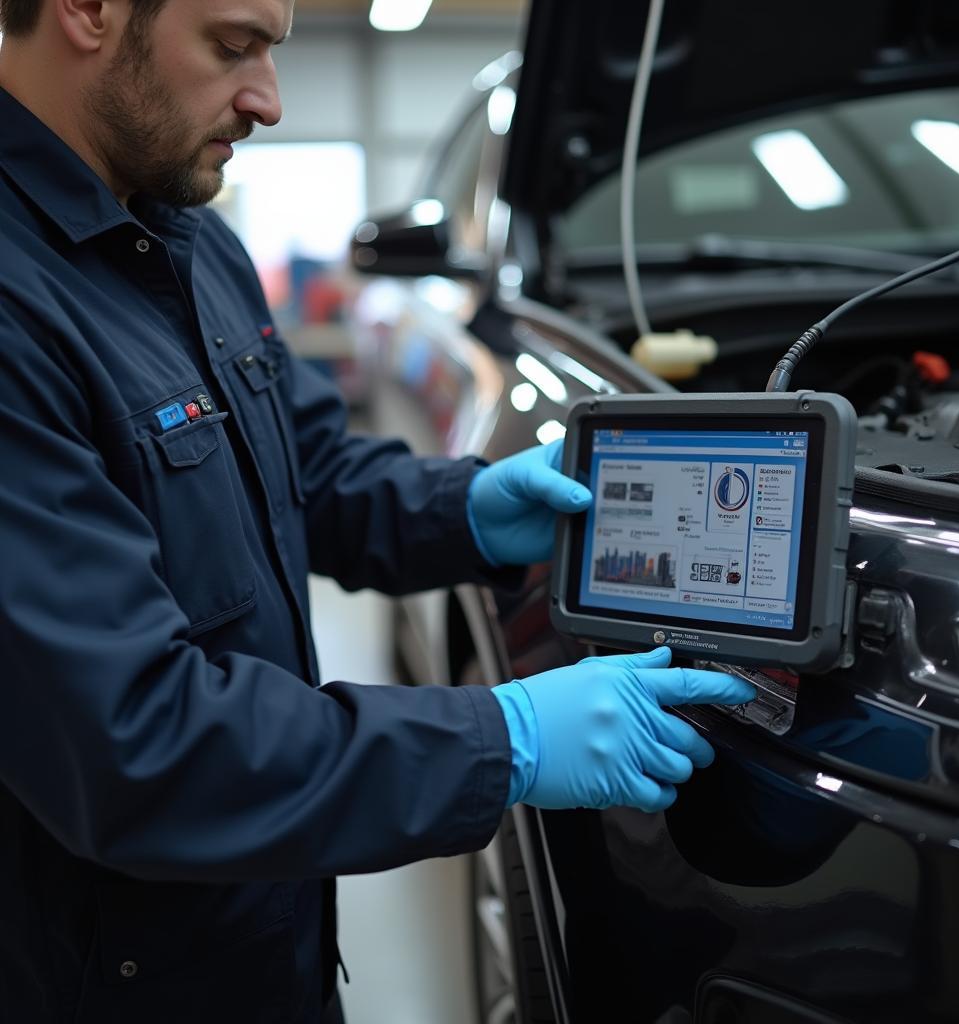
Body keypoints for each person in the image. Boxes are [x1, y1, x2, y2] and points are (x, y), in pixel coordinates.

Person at [0, 1, 756, 1021]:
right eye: (232, 46)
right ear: (86, 10)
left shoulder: (187, 243)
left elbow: (301, 468)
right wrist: (506, 737)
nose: (268, 99)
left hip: (257, 941)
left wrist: (470, 511)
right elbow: (134, 742)